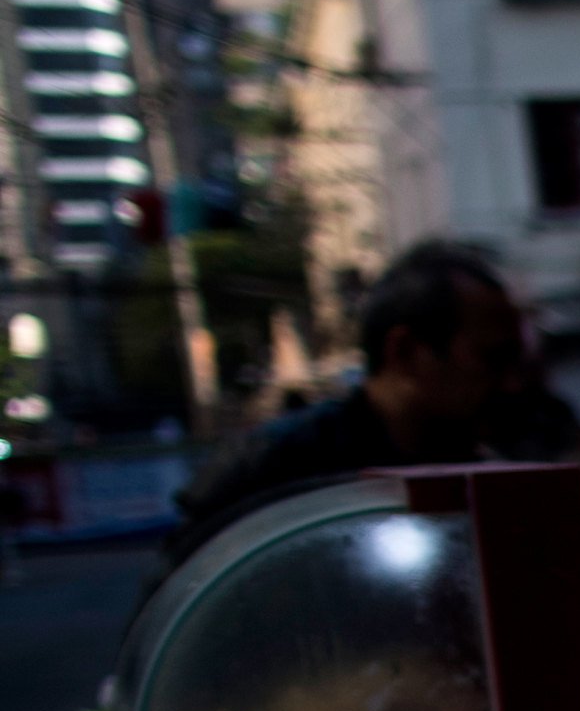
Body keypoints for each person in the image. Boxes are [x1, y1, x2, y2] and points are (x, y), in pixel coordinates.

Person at [155, 241, 527, 577]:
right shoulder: (278, 468)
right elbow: (186, 616)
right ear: (406, 352)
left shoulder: (502, 458)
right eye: (492, 359)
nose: (512, 384)